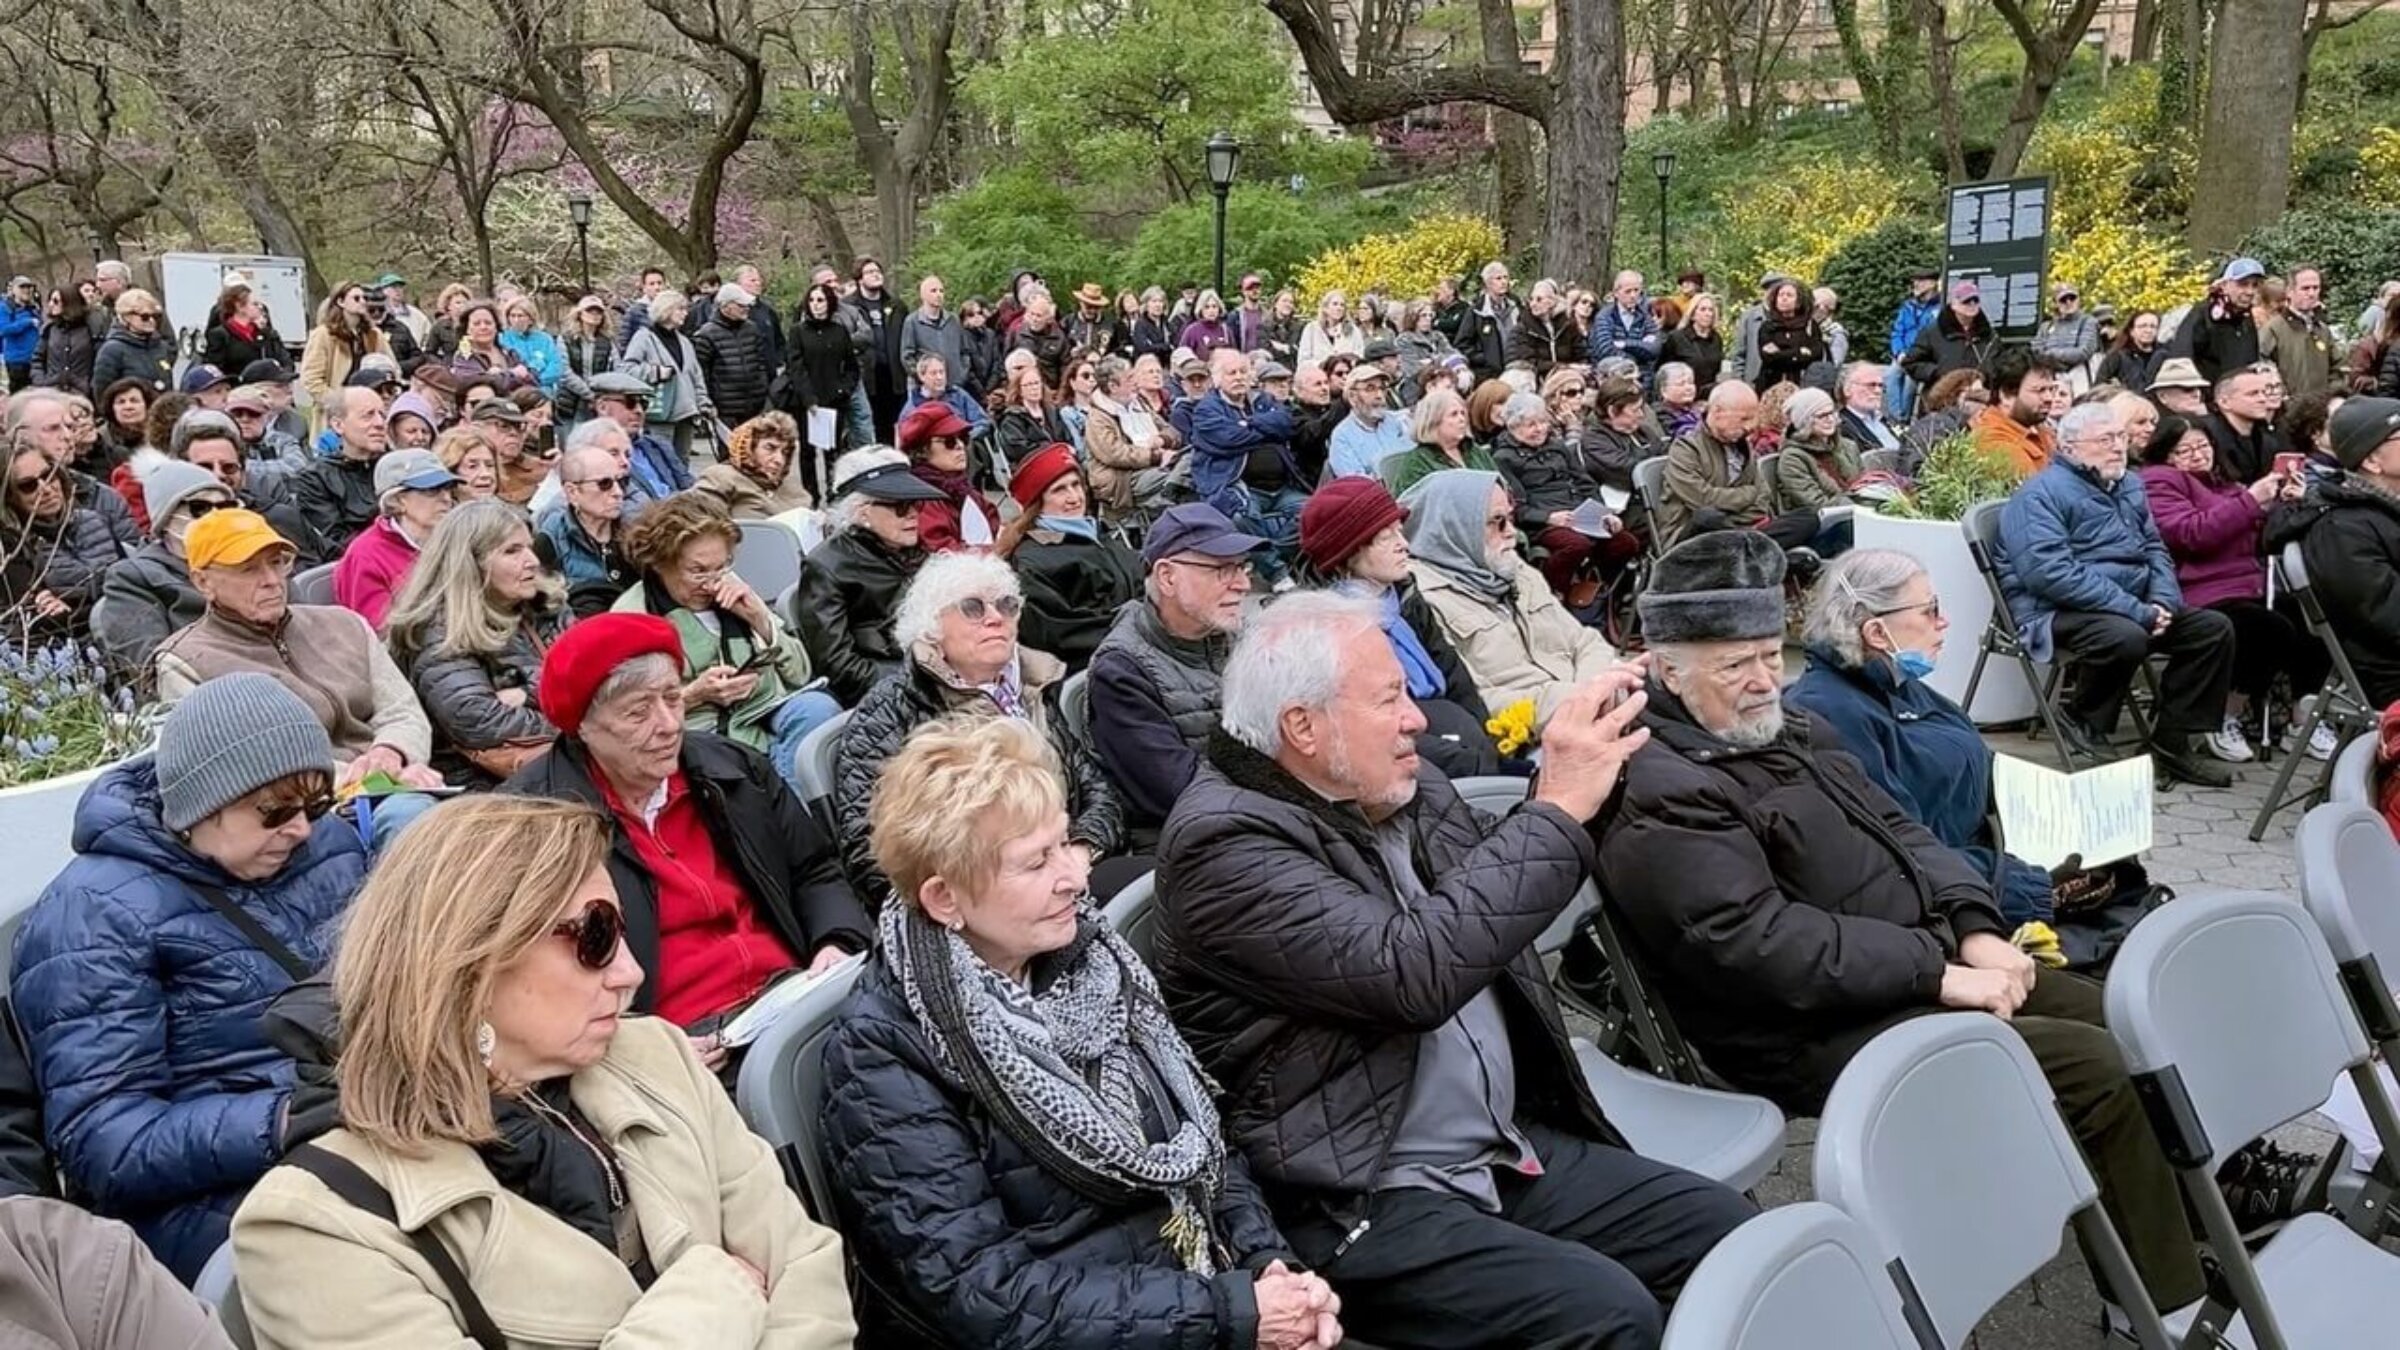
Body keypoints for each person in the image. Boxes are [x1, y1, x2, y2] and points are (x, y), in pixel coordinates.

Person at [1590, 530, 2206, 1321]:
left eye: (1765, 656)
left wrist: (1978, 928)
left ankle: (2184, 1224)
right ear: (1666, 670)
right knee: (2088, 1067)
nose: (1759, 682)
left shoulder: (1788, 729)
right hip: (1798, 1025)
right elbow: (1759, 946)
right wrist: (1940, 970)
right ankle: (2166, 1303)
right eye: (1732, 665)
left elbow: (1908, 834)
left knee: (2119, 1017)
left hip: (1906, 965)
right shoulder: (1662, 783)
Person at [1155, 593, 1751, 1350]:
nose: (1416, 717)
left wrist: (1593, 772)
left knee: (1729, 1239)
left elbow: (1497, 906)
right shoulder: (1224, 845)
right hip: (1351, 1190)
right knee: (1608, 1314)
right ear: (1303, 728)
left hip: (1493, 1143)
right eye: (1388, 698)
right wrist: (1556, 810)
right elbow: (1414, 972)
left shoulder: (1398, 782)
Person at [229, 795, 856, 1347]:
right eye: (596, 938)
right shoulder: (318, 1227)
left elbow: (804, 1265)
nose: (631, 973)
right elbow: (761, 1282)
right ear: (470, 963)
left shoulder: (658, 1056)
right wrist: (718, 1291)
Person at [819, 717, 1331, 1349]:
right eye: (1035, 862)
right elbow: (985, 1297)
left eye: (1065, 844)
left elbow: (1202, 1139)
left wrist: (1269, 1269)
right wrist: (1231, 1314)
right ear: (945, 899)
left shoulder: (1093, 964)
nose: (1075, 877)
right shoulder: (883, 1052)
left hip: (1195, 1294)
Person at [14, 674, 365, 1281]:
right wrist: (283, 1119)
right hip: (212, 1195)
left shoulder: (324, 844)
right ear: (200, 805)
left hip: (355, 1123)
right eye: (274, 811)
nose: (301, 829)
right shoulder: (94, 917)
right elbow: (105, 1143)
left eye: (314, 805)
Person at [495, 616, 867, 1035]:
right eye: (639, 713)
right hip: (678, 1037)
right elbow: (534, 978)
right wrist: (644, 1048)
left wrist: (836, 942)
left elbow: (814, 868)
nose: (670, 725)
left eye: (673, 699)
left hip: (796, 991)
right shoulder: (536, 823)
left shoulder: (731, 768)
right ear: (583, 727)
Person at [833, 551, 1133, 904]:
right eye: (973, 608)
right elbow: (872, 856)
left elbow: (1098, 792)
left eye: (1007, 605)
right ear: (931, 627)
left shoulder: (1032, 687)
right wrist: (1011, 884)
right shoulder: (886, 714)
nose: (995, 618)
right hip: (982, 899)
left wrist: (1080, 851)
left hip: (1070, 865)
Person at [1784, 549, 2059, 926]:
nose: (1943, 621)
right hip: (1953, 901)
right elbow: (1897, 851)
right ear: (1877, 632)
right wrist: (2034, 886)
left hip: (1986, 868)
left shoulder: (1895, 683)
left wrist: (2063, 808)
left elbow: (1973, 764)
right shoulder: (1831, 712)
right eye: (1930, 609)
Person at [1994, 404, 2238, 785]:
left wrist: (2162, 602)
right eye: (2105, 439)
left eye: (2121, 437)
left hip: (2131, 603)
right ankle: (2082, 717)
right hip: (2054, 609)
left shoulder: (2129, 484)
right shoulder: (2039, 494)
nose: (2117, 447)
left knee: (2212, 628)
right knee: (2125, 635)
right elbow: (2049, 574)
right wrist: (2136, 610)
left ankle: (2171, 745)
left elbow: (2155, 549)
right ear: (2070, 446)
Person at [152, 508, 445, 818]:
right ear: (203, 582)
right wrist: (372, 782)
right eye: (249, 569)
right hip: (303, 814)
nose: (272, 581)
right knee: (413, 817)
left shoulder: (344, 624)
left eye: (277, 563)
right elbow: (244, 764)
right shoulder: (185, 661)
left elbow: (402, 709)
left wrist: (392, 752)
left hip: (403, 783)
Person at [2135, 414, 2328, 763]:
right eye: (2184, 450)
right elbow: (2190, 534)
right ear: (2166, 456)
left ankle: (2303, 718)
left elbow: (2262, 536)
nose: (2197, 455)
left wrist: (2287, 503)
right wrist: (2251, 501)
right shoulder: (2159, 482)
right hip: (2198, 589)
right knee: (2268, 629)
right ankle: (2225, 714)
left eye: (2202, 445)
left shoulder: (2227, 485)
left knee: (2314, 616)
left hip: (2247, 583)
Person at [613, 494, 840, 788]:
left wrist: (760, 619)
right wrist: (695, 693)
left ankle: (788, 806)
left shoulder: (733, 590)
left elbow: (799, 674)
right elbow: (628, 713)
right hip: (698, 730)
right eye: (697, 571)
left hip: (761, 709)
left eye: (722, 566)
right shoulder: (632, 615)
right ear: (659, 563)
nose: (711, 582)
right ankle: (789, 813)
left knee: (819, 709)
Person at [1296, 477, 1502, 778]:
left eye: (1400, 532)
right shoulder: (1330, 628)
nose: (1404, 545)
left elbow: (1455, 675)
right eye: (1385, 537)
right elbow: (1365, 722)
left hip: (1457, 734)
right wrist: (1470, 759)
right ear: (1348, 552)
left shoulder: (1404, 597)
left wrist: (1486, 735)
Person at [1398, 467, 1617, 743]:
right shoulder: (1424, 601)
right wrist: (1578, 700)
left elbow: (1585, 641)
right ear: (1456, 529)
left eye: (1510, 519)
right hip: (1526, 739)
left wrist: (1595, 690)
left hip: (1587, 709)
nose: (1512, 533)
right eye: (1497, 522)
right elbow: (1474, 702)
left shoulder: (1513, 569)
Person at [1087, 503, 1260, 840]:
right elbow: (1180, 789)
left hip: (1251, 815)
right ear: (1167, 577)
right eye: (1223, 569)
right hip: (1195, 840)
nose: (1242, 584)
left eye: (1243, 567)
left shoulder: (1237, 636)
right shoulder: (1121, 672)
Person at [383, 497, 569, 786]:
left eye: (528, 547)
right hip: (480, 782)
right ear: (470, 564)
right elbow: (480, 721)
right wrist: (581, 720)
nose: (532, 561)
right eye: (512, 551)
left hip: (557, 757)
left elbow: (599, 675)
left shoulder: (546, 604)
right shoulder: (436, 632)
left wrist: (528, 692)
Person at [2266, 397, 2400, 709]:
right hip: (2387, 673)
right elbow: (2384, 616)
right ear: (2372, 461)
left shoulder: (2385, 510)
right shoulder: (2342, 527)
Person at [794, 448, 943, 705]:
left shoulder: (916, 552)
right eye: (900, 506)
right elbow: (837, 665)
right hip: (887, 694)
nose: (913, 514)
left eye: (916, 503)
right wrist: (918, 682)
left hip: (938, 672)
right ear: (862, 512)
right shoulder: (827, 566)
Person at [1003, 444, 1144, 669]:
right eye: (1059, 490)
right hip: (1100, 666)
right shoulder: (1031, 562)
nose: (1074, 497)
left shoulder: (1100, 535)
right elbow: (1059, 633)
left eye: (1076, 485)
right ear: (1037, 503)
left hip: (1137, 648)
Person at [1657, 381, 1822, 554]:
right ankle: (1755, 551)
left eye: (1752, 419)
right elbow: (1702, 500)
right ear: (1718, 411)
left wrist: (1739, 513)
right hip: (1695, 537)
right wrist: (1747, 494)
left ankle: (1750, 551)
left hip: (1744, 529)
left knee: (1809, 517)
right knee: (1708, 517)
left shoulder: (1743, 446)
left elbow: (1763, 497)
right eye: (1743, 419)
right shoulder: (1686, 449)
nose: (1749, 427)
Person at [93, 462, 227, 673]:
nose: (215, 519)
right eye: (200, 508)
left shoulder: (252, 561)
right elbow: (150, 666)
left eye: (225, 509)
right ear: (167, 517)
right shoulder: (131, 578)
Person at [1188, 346, 1306, 577]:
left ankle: (1271, 554)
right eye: (1232, 373)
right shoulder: (1207, 409)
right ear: (1217, 379)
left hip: (1282, 488)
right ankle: (1278, 575)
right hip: (1236, 486)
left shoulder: (1263, 400)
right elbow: (1229, 439)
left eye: (1243, 371)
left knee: (1315, 510)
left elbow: (1285, 423)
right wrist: (1265, 429)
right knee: (1240, 516)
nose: (1239, 377)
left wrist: (1249, 423)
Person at [2, 439, 122, 643]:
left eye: (49, 475)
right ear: (9, 496)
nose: (46, 489)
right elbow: (39, 623)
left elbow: (130, 584)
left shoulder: (92, 519)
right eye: (28, 485)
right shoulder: (11, 549)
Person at [330, 448, 459, 631]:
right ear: (398, 501)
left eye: (447, 489)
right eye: (432, 491)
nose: (446, 498)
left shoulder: (452, 539)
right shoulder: (366, 556)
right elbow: (383, 633)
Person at [286, 386, 390, 554]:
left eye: (382, 415)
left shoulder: (396, 467)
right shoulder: (316, 478)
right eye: (368, 415)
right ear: (338, 425)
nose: (379, 423)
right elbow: (335, 541)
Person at [619, 290, 713, 463]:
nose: (685, 313)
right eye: (681, 309)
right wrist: (655, 372)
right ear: (666, 309)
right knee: (661, 462)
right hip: (660, 413)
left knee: (682, 462)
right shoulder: (644, 338)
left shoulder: (684, 341)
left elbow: (695, 375)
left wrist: (703, 402)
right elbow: (626, 369)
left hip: (686, 413)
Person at [1084, 355, 1181, 521]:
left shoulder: (1138, 403)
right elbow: (1115, 454)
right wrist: (1156, 457)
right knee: (1177, 481)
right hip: (1122, 478)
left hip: (1154, 466)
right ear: (1113, 386)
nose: (1135, 382)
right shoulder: (1097, 418)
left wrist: (1162, 440)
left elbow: (1171, 431)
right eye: (1129, 378)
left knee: (1193, 465)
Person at [895, 400, 994, 553]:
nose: (960, 445)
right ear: (922, 451)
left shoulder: (961, 487)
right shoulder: (923, 498)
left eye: (963, 437)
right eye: (949, 441)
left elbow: (992, 519)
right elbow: (942, 549)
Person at [294, 285, 385, 429]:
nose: (362, 302)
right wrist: (339, 403)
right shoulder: (323, 335)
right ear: (341, 302)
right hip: (336, 415)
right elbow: (311, 380)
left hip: (369, 409)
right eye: (356, 298)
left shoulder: (373, 335)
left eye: (365, 298)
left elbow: (389, 366)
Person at [694, 411, 813, 520]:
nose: (779, 460)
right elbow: (694, 522)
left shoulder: (789, 485)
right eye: (770, 448)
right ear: (749, 447)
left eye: (785, 453)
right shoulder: (721, 477)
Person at [1386, 386, 1496, 495]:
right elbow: (1412, 505)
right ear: (1433, 421)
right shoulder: (1417, 463)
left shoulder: (1474, 450)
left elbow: (1500, 483)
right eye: (1454, 414)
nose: (1462, 419)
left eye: (1463, 413)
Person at [1968, 345, 2058, 477]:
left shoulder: (2037, 428)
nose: (2049, 398)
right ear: (2006, 395)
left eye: (2051, 389)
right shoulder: (1994, 443)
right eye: (2040, 390)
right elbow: (2037, 492)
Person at [693, 283, 772, 428]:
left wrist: (763, 391)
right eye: (741, 305)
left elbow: (762, 363)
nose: (746, 309)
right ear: (726, 306)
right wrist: (708, 403)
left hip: (755, 405)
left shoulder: (752, 329)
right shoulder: (706, 335)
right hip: (725, 409)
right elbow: (702, 373)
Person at [1774, 387, 1865, 511]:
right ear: (1805, 421)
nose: (1830, 419)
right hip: (1823, 521)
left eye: (1832, 412)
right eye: (1822, 416)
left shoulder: (1848, 446)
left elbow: (1864, 484)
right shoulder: (1793, 458)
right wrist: (1858, 505)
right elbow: (1816, 504)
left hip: (1856, 511)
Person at [2177, 257, 2266, 383]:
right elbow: (2182, 358)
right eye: (2243, 284)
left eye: (2255, 285)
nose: (2250, 291)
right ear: (2224, 285)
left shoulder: (2245, 317)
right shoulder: (2203, 315)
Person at [2196, 361, 2284, 485]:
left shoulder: (2266, 438)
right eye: (2253, 394)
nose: (2263, 399)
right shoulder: (2205, 435)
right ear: (2224, 402)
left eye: (2264, 392)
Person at [1901, 280, 1998, 391]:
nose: (1972, 304)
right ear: (1954, 304)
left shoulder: (1990, 335)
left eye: (1975, 300)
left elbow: (1998, 365)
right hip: (1941, 398)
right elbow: (1911, 363)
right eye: (1966, 301)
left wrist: (1983, 377)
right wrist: (1938, 373)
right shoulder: (1933, 332)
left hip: (1978, 399)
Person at [89, 290, 175, 399]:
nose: (151, 321)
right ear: (126, 317)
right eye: (145, 316)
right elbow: (102, 393)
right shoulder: (112, 350)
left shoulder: (160, 346)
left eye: (156, 316)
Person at [1751, 279, 1824, 390]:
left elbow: (1816, 354)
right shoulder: (1768, 327)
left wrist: (1781, 352)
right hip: (1770, 384)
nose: (1784, 298)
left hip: (1801, 384)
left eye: (1789, 295)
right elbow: (1769, 357)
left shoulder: (1809, 325)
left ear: (1798, 301)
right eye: (1780, 295)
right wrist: (1799, 352)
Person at [1454, 261, 1520, 383]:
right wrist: (1485, 358)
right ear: (1488, 283)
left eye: (1506, 277)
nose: (1504, 282)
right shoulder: (1476, 311)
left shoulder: (1516, 306)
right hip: (1488, 375)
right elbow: (1462, 345)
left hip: (1515, 370)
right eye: (1498, 278)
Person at [2031, 283, 2101, 378]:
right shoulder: (2046, 327)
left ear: (2078, 300)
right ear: (2056, 303)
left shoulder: (2088, 322)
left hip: (2081, 377)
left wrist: (2051, 353)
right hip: (2051, 377)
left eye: (2072, 298)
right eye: (2063, 299)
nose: (2068, 302)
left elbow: (2083, 352)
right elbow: (2036, 352)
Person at [2099, 310, 2168, 394]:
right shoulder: (2117, 355)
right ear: (2131, 331)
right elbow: (2099, 386)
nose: (2148, 330)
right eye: (2143, 326)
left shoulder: (2166, 354)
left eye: (2153, 326)